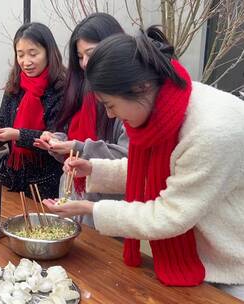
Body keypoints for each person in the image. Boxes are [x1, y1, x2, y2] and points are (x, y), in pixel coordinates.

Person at [43, 27, 244, 299]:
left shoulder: (209, 130)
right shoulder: (166, 106)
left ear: (141, 87)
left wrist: (93, 209)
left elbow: (170, 214)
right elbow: (154, 171)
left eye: (110, 104)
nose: (110, 115)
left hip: (230, 269)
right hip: (201, 255)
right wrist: (94, 168)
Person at [33, 13, 128, 227]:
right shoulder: (80, 88)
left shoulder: (127, 96)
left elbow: (129, 161)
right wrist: (57, 142)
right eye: (79, 56)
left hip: (106, 210)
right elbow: (70, 134)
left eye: (91, 53)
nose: (84, 63)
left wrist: (77, 147)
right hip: (73, 197)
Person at [0, 22, 66, 199]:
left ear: (49, 52)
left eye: (33, 54)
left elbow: (56, 138)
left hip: (46, 184)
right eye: (20, 54)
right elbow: (2, 120)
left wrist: (17, 135)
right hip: (13, 178)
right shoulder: (16, 84)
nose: (26, 62)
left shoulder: (61, 88)